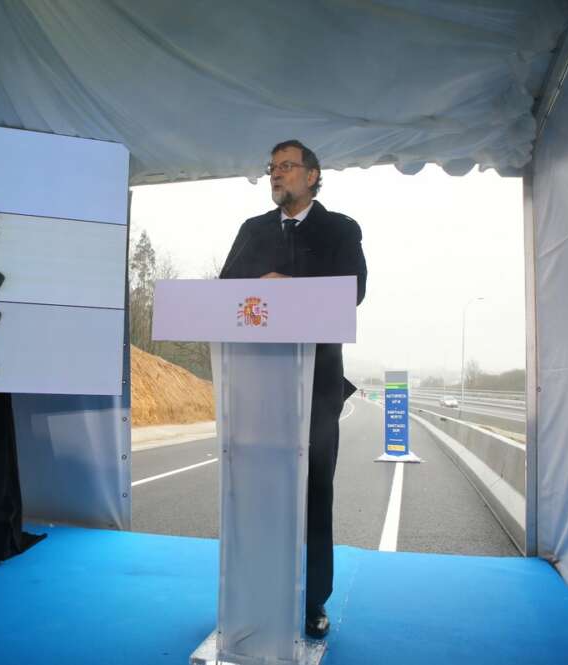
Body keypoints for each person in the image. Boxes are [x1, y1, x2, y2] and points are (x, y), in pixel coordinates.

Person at [219, 139, 367, 639]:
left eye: (286, 167)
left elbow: (353, 291)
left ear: (312, 175)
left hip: (316, 388)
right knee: (257, 491)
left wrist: (291, 286)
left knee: (313, 492)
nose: (276, 175)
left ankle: (312, 601)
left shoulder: (340, 229)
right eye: (272, 168)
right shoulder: (252, 230)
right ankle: (254, 593)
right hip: (257, 384)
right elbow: (226, 291)